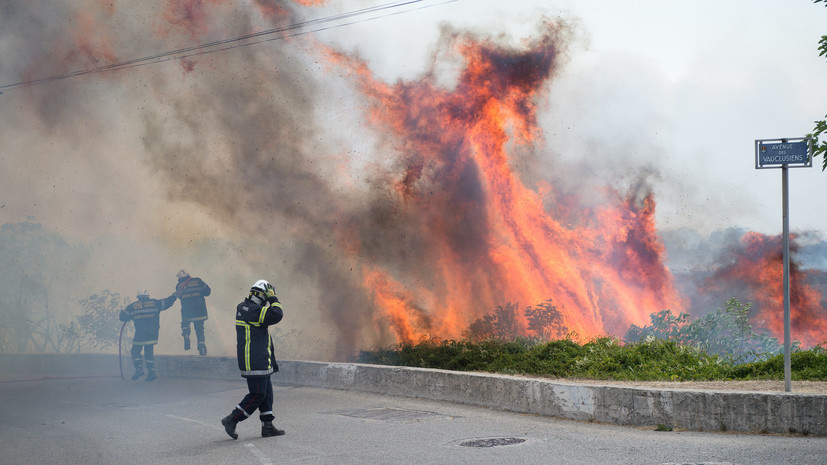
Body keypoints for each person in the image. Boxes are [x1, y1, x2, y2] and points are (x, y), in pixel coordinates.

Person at [221, 279, 285, 440]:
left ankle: (268, 426)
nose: (267, 300)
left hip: (260, 359)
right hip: (254, 361)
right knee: (257, 394)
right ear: (260, 295)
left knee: (266, 393)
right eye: (266, 296)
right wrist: (273, 299)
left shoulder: (247, 308)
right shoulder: (251, 310)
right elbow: (276, 314)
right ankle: (232, 419)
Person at [119, 290, 177, 382]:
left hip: (140, 334)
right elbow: (167, 302)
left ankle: (139, 368)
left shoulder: (133, 306)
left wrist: (129, 316)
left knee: (135, 351)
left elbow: (122, 317)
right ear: (147, 296)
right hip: (152, 334)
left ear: (138, 297)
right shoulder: (155, 303)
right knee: (149, 353)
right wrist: (174, 296)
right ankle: (152, 373)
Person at [174, 269, 211, 355]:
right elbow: (208, 292)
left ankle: (186, 332)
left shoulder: (179, 285)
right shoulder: (198, 280)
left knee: (185, 322)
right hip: (199, 310)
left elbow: (179, 296)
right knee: (199, 330)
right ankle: (201, 346)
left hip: (187, 310)